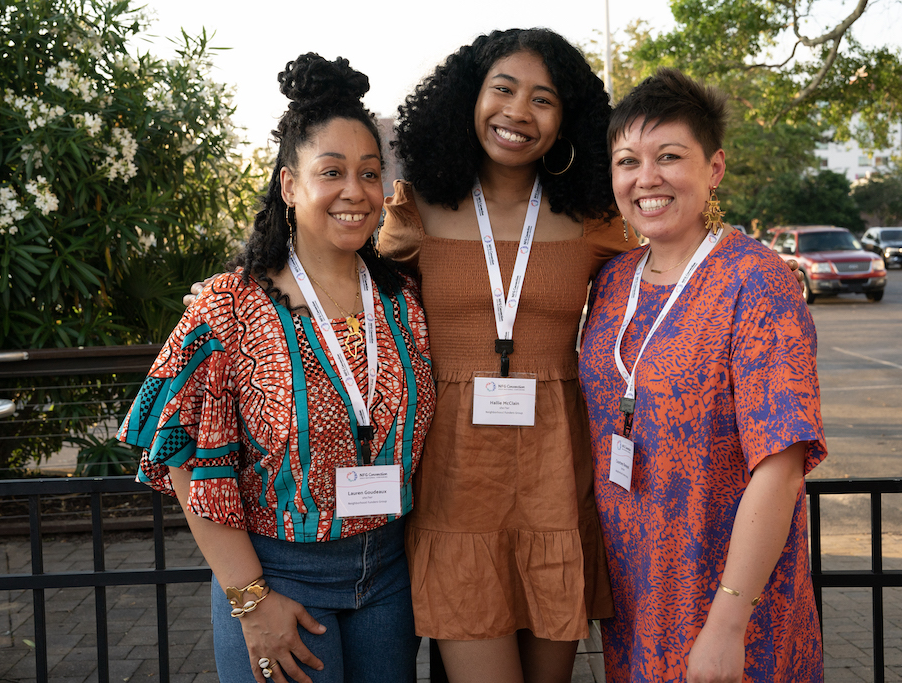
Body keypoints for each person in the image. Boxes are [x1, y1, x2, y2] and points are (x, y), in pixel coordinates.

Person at [118, 54, 436, 683]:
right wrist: (250, 599)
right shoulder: (231, 305)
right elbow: (181, 451)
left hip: (388, 576)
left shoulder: (404, 298)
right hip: (278, 575)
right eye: (332, 173)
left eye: (371, 173)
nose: (356, 192)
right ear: (290, 186)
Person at [379, 28, 628, 683]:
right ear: (469, 98)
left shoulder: (597, 219)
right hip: (455, 481)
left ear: (566, 120)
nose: (519, 111)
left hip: (555, 477)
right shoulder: (415, 212)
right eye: (504, 89)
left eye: (543, 99)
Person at [577, 68, 827, 682]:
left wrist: (728, 625)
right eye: (628, 161)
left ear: (713, 169)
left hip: (730, 608)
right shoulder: (614, 281)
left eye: (669, 157)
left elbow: (781, 463)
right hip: (638, 603)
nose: (646, 178)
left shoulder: (755, 279)